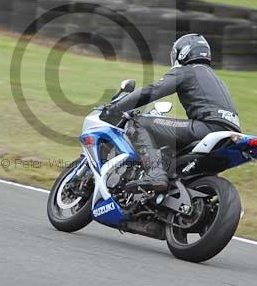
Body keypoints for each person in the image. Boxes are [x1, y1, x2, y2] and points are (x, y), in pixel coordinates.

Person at [101, 34, 240, 191]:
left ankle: (155, 173)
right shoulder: (214, 77)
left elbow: (151, 91)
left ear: (182, 53)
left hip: (207, 127)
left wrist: (117, 107)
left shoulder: (186, 71)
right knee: (171, 150)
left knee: (138, 122)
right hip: (230, 132)